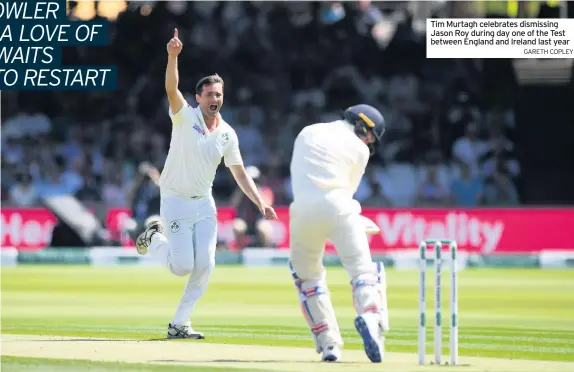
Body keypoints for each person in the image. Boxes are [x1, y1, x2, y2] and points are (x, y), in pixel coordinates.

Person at [135, 28, 277, 340]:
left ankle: (179, 324)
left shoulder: (227, 133)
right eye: (209, 94)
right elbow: (171, 88)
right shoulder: (185, 117)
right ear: (198, 98)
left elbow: (239, 173)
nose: (215, 99)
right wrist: (173, 57)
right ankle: (153, 239)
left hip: (203, 204)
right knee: (182, 266)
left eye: (219, 95)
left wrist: (260, 203)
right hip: (174, 199)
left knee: (206, 265)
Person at [288, 104, 389, 363]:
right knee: (362, 272)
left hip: (301, 213)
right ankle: (369, 314)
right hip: (339, 208)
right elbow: (346, 190)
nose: (369, 142)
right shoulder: (360, 150)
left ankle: (329, 343)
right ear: (361, 125)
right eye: (370, 135)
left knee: (307, 279)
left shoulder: (307, 132)